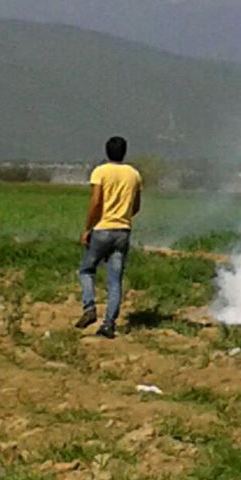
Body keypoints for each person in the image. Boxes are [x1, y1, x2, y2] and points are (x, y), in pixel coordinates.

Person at [76, 136, 142, 339]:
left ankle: (89, 308)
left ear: (106, 152)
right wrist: (123, 218)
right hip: (123, 231)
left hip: (102, 229)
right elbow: (136, 206)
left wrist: (88, 228)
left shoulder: (101, 172)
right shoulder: (134, 175)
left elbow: (96, 202)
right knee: (115, 281)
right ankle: (109, 324)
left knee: (86, 270)